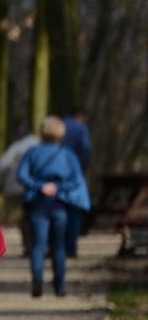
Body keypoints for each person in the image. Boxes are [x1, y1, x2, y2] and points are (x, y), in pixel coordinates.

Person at [17, 115, 90, 297]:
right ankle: (59, 285)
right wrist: (57, 187)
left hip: (37, 205)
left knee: (37, 246)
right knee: (59, 246)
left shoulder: (32, 152)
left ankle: (37, 281)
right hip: (60, 206)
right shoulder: (68, 154)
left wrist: (39, 186)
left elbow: (21, 175)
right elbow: (76, 179)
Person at [0, 131, 40, 254]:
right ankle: (37, 243)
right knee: (33, 215)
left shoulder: (16, 147)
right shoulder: (40, 146)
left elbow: (3, 165)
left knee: (23, 217)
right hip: (37, 187)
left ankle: (28, 244)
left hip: (15, 187)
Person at [61, 110, 92, 258]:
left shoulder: (57, 125)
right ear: (80, 116)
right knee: (73, 214)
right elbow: (86, 150)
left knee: (58, 212)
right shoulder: (81, 128)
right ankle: (71, 248)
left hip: (55, 176)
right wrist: (81, 169)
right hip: (74, 174)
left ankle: (57, 247)